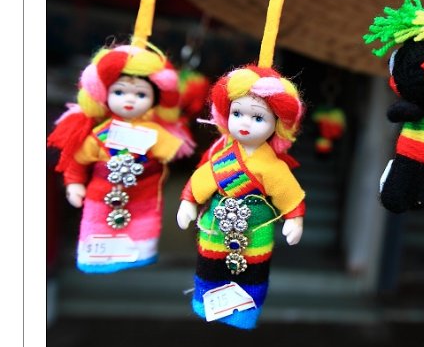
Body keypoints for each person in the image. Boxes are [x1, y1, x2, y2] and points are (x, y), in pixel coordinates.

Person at [176, 64, 305, 329]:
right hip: (217, 224)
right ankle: (205, 302)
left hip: (255, 229)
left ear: (276, 124)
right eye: (237, 113)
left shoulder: (272, 166)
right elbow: (201, 181)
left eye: (258, 118)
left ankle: (244, 313)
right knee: (210, 266)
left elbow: (288, 194)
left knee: (251, 271)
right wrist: (188, 202)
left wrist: (295, 219)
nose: (245, 123)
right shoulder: (221, 158)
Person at [47, 40, 192, 273]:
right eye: (119, 91)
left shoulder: (154, 133)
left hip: (143, 195)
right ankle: (96, 256)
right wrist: (74, 184)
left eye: (140, 94)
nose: (129, 99)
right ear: (105, 95)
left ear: (154, 99)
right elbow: (79, 160)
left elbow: (173, 154)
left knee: (142, 228)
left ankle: (141, 252)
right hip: (100, 196)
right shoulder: (100, 134)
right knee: (97, 224)